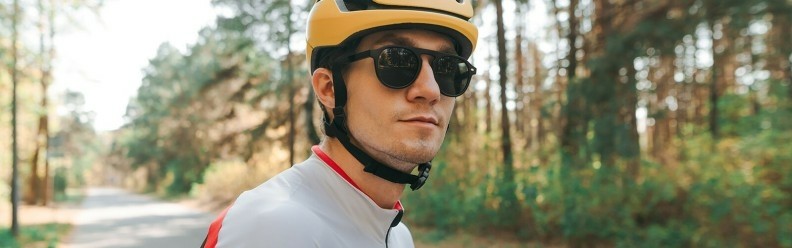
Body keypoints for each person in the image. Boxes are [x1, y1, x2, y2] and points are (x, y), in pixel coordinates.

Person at [201, 0, 478, 247]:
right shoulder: (276, 227)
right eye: (397, 62)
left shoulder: (398, 236)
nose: (430, 90)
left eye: (447, 68)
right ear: (329, 88)